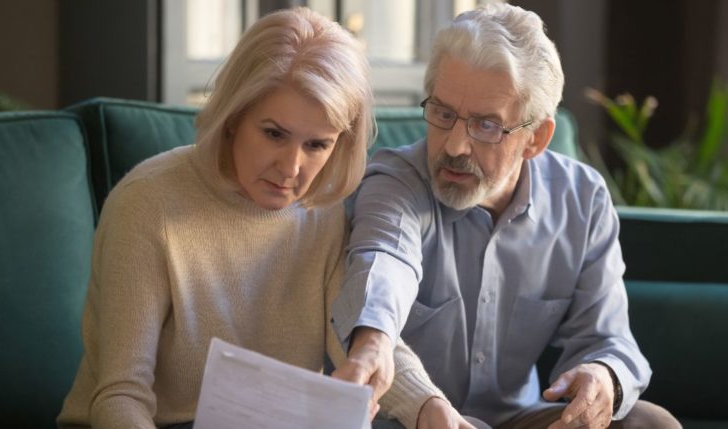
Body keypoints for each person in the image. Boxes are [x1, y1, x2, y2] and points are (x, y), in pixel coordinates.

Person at [57, 7, 443, 428]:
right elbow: (119, 397)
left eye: (317, 145)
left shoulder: (322, 212)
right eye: (274, 134)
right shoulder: (147, 203)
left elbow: (358, 338)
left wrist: (428, 404)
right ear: (233, 117)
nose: (291, 168)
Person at [333, 4, 682, 429]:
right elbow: (384, 261)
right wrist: (373, 343)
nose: (456, 145)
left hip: (523, 420)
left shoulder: (583, 199)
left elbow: (606, 337)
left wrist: (602, 375)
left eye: (486, 125)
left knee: (650, 423)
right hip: (412, 420)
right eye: (443, 114)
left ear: (536, 138)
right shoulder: (395, 181)